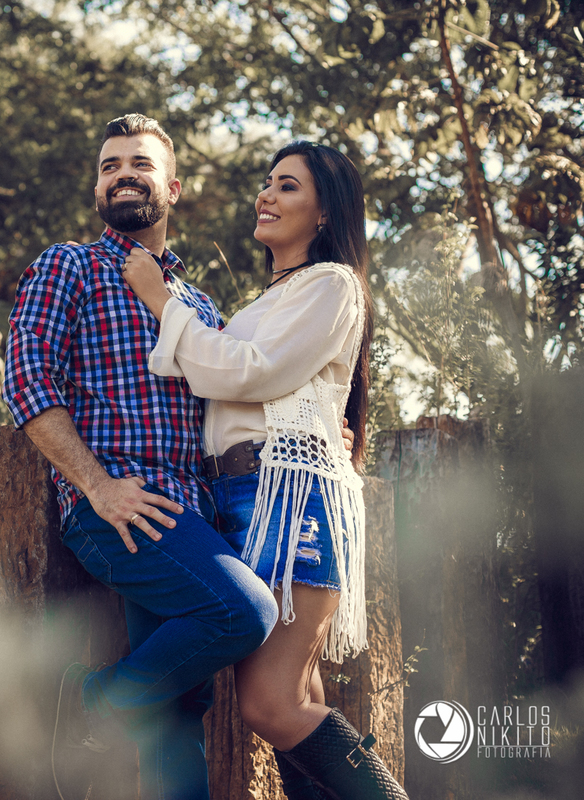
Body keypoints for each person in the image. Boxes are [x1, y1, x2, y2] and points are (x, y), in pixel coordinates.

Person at [3, 113, 278, 800]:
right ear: (99, 189)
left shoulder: (199, 308)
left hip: (194, 515)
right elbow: (26, 379)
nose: (122, 174)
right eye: (109, 166)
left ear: (173, 187)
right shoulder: (68, 264)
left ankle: (106, 711)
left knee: (177, 715)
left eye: (140, 164)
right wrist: (98, 488)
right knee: (245, 613)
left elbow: (234, 401)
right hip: (118, 510)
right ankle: (90, 702)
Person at [122, 141, 408, 799]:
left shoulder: (332, 283)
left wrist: (163, 303)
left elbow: (249, 372)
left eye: (287, 186)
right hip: (242, 493)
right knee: (295, 701)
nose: (267, 195)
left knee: (270, 705)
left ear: (325, 215)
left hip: (288, 491)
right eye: (268, 183)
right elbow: (234, 377)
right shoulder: (262, 304)